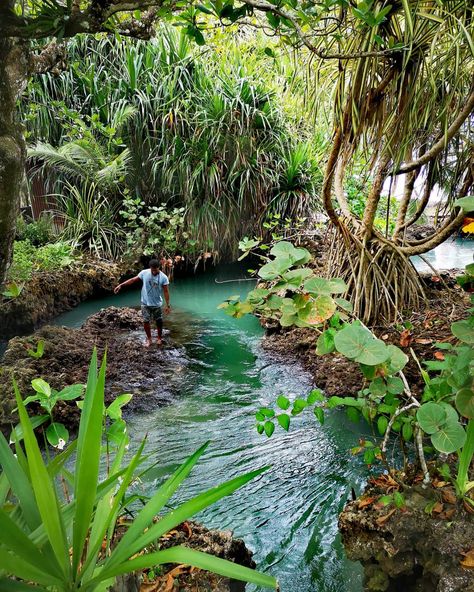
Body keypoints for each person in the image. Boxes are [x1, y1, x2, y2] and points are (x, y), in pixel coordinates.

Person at [114, 259, 171, 347]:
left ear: (159, 268)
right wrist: (121, 285)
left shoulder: (163, 277)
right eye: (152, 270)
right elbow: (133, 280)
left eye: (156, 270)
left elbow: (166, 291)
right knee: (145, 321)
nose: (154, 272)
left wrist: (168, 305)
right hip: (145, 302)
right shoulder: (144, 273)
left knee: (159, 321)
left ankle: (159, 338)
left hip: (157, 304)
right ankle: (149, 339)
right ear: (150, 268)